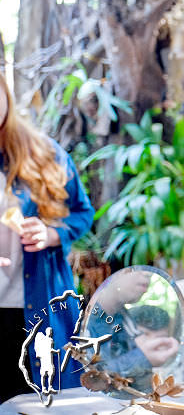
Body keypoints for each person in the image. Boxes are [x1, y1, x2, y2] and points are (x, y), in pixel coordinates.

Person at [0, 72, 94, 402]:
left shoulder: (43, 152)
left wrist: (51, 233)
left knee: (47, 402)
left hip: (39, 308)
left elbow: (83, 212)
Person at [85, 269, 180, 396]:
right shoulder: (79, 316)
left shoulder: (126, 320)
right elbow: (91, 379)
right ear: (108, 271)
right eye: (133, 269)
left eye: (149, 268)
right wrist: (143, 357)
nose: (147, 273)